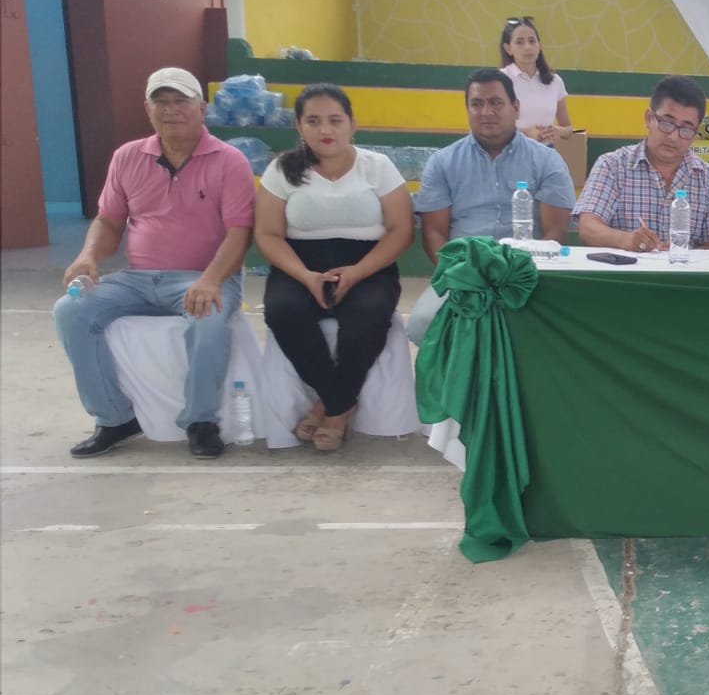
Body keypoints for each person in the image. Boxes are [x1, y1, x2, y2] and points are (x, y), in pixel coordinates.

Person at [53, 68, 254, 459]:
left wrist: (211, 280)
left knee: (208, 319)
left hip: (204, 276)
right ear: (147, 109)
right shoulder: (127, 157)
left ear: (202, 108)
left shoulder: (229, 161)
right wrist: (88, 255)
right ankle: (113, 418)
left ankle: (200, 422)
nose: (170, 110)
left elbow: (239, 233)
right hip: (137, 278)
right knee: (70, 310)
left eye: (181, 101)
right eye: (161, 102)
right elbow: (109, 221)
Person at [255, 85, 414, 450]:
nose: (325, 130)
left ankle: (327, 407)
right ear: (298, 126)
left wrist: (358, 272)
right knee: (283, 311)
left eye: (335, 120)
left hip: (369, 266)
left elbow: (401, 231)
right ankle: (340, 405)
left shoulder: (377, 167)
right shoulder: (281, 170)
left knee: (369, 313)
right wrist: (305, 276)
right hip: (300, 266)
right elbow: (267, 234)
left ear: (352, 124)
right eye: (313, 121)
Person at [408, 69, 575, 344]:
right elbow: (433, 235)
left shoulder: (547, 161)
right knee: (422, 324)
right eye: (477, 104)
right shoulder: (443, 162)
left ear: (516, 108)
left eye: (496, 102)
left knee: (554, 329)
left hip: (527, 274)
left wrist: (519, 276)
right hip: (462, 272)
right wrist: (463, 276)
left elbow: (554, 235)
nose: (486, 112)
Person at [575, 75, 709, 252]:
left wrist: (683, 253)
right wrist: (626, 240)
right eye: (667, 123)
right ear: (648, 118)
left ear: (696, 132)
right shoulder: (612, 166)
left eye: (686, 128)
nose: (673, 136)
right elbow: (588, 227)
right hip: (626, 268)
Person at [499, 15, 572, 142]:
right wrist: (526, 133)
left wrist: (557, 131)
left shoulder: (555, 81)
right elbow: (494, 128)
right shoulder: (499, 80)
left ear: (539, 45)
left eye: (532, 41)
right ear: (508, 48)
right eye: (519, 42)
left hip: (545, 151)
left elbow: (568, 129)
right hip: (510, 150)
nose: (528, 47)